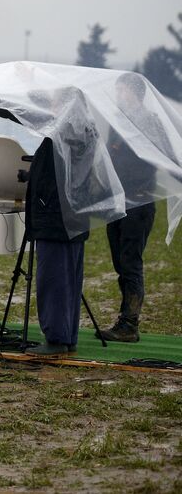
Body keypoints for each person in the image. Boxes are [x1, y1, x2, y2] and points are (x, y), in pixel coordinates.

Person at [0, 89, 98, 357]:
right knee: (69, 281)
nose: (52, 108)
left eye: (57, 103)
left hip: (56, 218)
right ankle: (66, 337)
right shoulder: (80, 130)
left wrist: (1, 105)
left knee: (54, 280)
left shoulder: (68, 129)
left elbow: (35, 118)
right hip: (71, 218)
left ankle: (56, 339)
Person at [99, 73, 172, 342]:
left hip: (139, 203)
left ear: (136, 93)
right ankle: (124, 319)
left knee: (131, 264)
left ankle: (130, 325)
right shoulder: (117, 122)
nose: (119, 96)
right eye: (117, 91)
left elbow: (166, 158)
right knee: (120, 263)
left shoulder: (151, 123)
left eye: (124, 91)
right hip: (117, 204)